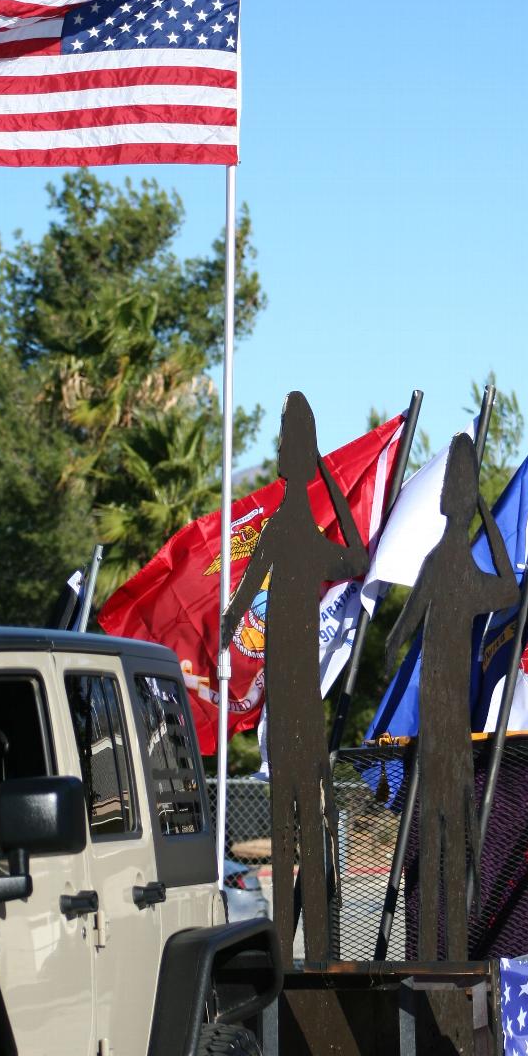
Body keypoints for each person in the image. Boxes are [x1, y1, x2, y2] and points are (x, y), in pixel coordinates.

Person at [223, 392, 367, 960]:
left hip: (304, 697)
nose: (281, 448)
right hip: (284, 696)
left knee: (312, 824)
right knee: (291, 826)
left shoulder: (301, 534)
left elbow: (356, 559)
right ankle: (290, 948)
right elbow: (236, 607)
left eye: (290, 439)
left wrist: (330, 478)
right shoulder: (281, 530)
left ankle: (318, 946)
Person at [386, 431, 517, 959]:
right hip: (447, 719)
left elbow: (397, 637)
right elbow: (509, 587)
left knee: (443, 829)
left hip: (442, 718)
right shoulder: (453, 566)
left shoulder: (442, 565)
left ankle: (447, 941)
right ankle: (452, 942)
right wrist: (488, 517)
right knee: (451, 831)